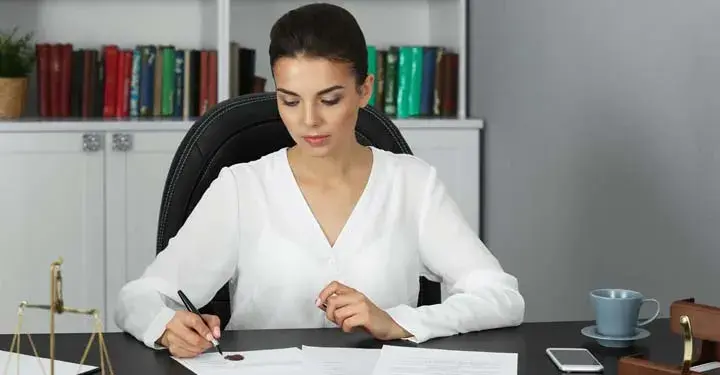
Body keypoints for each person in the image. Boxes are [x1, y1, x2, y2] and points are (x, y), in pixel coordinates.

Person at [114, 2, 525, 358]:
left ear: (364, 90)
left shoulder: (412, 184)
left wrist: (398, 322)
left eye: (330, 100)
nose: (308, 120)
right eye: (289, 100)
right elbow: (140, 297)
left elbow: (501, 298)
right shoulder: (242, 187)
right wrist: (166, 325)